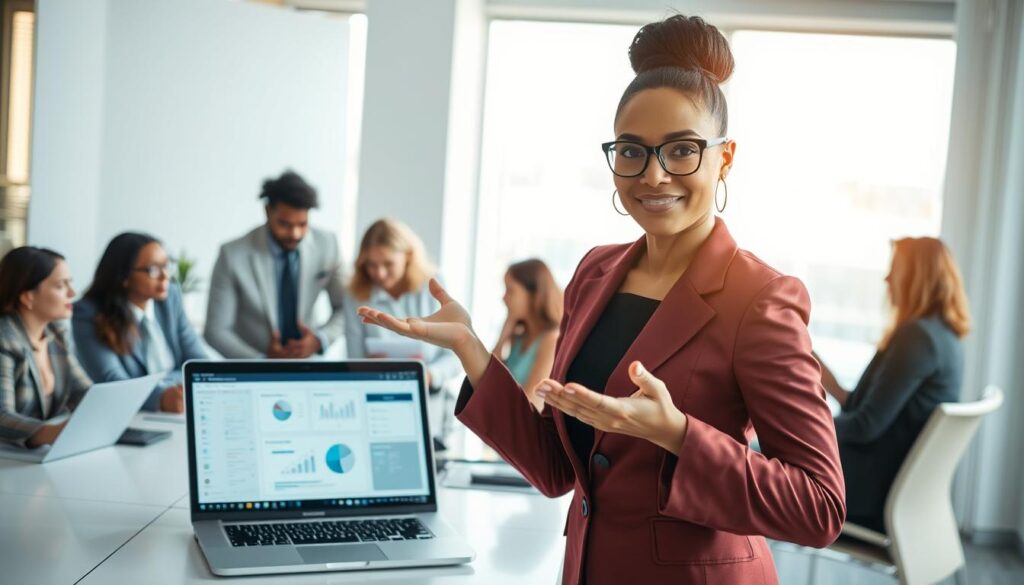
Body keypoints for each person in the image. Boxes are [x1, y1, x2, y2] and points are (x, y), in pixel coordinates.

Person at [357, 15, 844, 584]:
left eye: (682, 150)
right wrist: (471, 349)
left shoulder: (760, 298)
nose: (655, 177)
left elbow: (820, 507)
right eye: (632, 152)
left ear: (725, 158)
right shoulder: (595, 272)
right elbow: (557, 467)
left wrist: (678, 435)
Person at [817, 237, 970, 533]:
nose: (887, 278)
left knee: (756, 462)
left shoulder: (917, 339)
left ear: (917, 278)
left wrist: (801, 426)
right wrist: (827, 380)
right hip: (894, 491)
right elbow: (872, 413)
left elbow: (864, 427)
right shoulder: (944, 336)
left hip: (867, 492)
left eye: (895, 269)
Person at [204, 170, 346, 359]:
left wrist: (320, 339)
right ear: (267, 211)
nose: (295, 234)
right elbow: (216, 331)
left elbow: (346, 308)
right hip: (253, 368)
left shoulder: (328, 245)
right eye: (285, 224)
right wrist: (262, 362)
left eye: (302, 224)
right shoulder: (232, 255)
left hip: (309, 365)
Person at [73, 233, 208, 413]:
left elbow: (199, 363)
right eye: (153, 269)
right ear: (124, 276)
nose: (165, 276)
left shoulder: (170, 298)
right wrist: (161, 397)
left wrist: (170, 390)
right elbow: (112, 380)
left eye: (166, 266)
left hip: (177, 407)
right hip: (127, 414)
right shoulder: (88, 313)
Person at [343, 218, 460, 391]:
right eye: (371, 265)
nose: (380, 273)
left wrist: (427, 375)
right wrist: (368, 368)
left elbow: (455, 355)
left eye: (388, 264)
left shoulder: (433, 286)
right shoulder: (355, 294)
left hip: (429, 393)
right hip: (377, 391)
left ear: (408, 257)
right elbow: (355, 360)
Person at [0, 247, 92, 447]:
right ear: (27, 297)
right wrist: (51, 433)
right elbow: (2, 416)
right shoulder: (4, 338)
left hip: (33, 460)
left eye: (70, 283)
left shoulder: (55, 333)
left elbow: (85, 393)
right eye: (61, 285)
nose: (72, 293)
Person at [492, 259, 562, 411]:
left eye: (510, 290)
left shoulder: (551, 339)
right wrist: (503, 335)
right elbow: (487, 378)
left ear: (533, 295)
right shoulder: (518, 335)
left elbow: (532, 401)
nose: (504, 298)